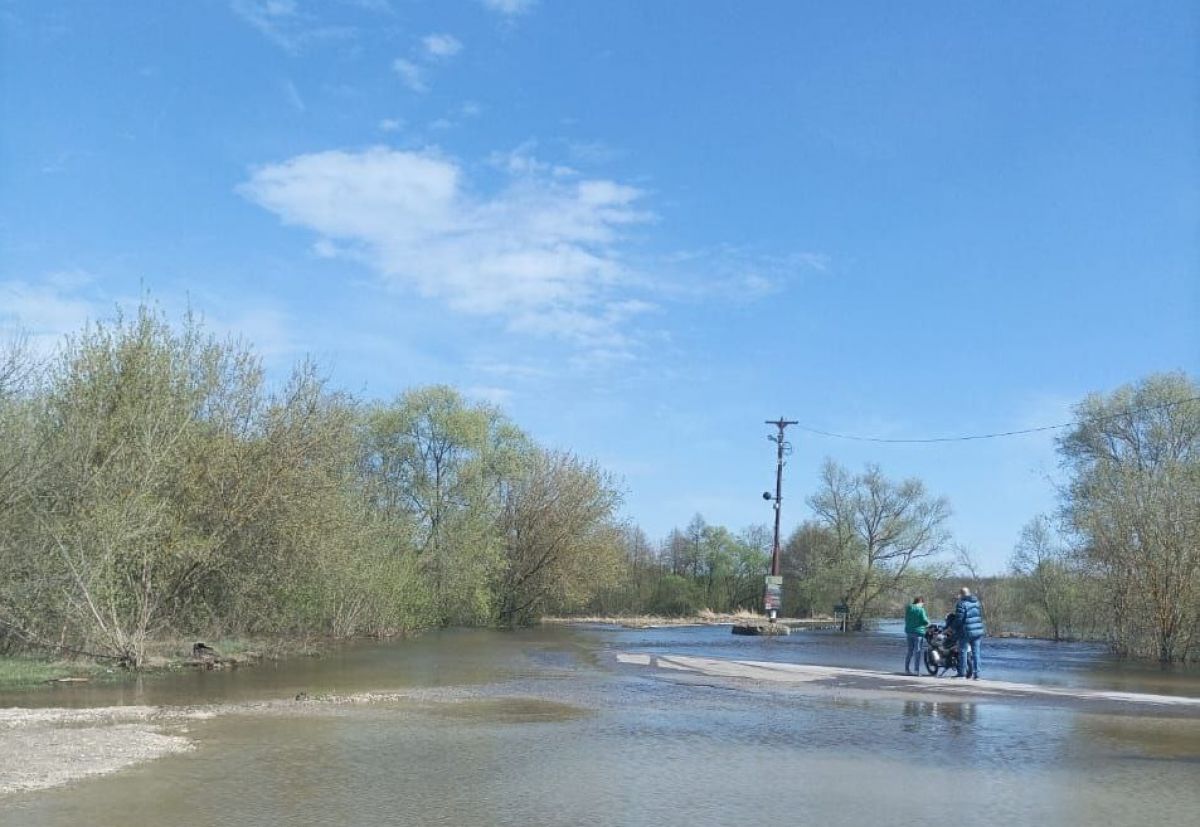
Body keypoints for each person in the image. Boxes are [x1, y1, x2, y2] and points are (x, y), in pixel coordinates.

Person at [953, 586, 986, 679]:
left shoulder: (961, 604)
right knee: (976, 653)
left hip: (966, 631)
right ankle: (977, 675)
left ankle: (962, 674)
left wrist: (953, 628)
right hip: (977, 630)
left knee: (963, 652)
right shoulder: (977, 602)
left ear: (962, 594)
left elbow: (959, 619)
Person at [904, 596, 930, 675]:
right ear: (921, 602)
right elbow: (924, 621)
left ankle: (907, 669)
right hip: (918, 632)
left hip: (909, 632)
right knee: (917, 651)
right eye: (923, 603)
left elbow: (906, 619)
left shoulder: (909, 608)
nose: (923, 605)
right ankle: (916, 671)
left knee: (910, 651)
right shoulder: (921, 610)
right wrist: (929, 623)